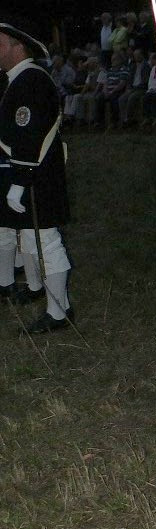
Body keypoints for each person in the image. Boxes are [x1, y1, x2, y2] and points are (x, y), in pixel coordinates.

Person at [0, 20, 73, 330]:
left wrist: (20, 181)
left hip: (35, 176)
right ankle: (54, 307)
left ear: (19, 47)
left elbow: (28, 132)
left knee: (45, 242)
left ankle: (60, 313)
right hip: (27, 173)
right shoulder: (16, 79)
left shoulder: (30, 80)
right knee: (32, 240)